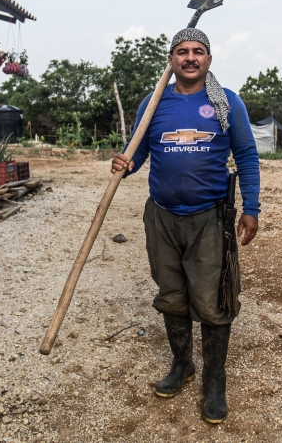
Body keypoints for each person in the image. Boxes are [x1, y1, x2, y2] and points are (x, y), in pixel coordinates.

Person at [111, 28, 260, 424]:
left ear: (209, 59)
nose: (190, 58)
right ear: (171, 60)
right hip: (161, 215)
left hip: (210, 219)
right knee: (172, 294)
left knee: (213, 302)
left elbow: (246, 155)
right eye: (181, 52)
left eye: (198, 51)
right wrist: (125, 166)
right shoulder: (154, 101)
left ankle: (214, 382)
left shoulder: (226, 103)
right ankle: (183, 364)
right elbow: (139, 150)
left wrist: (252, 208)